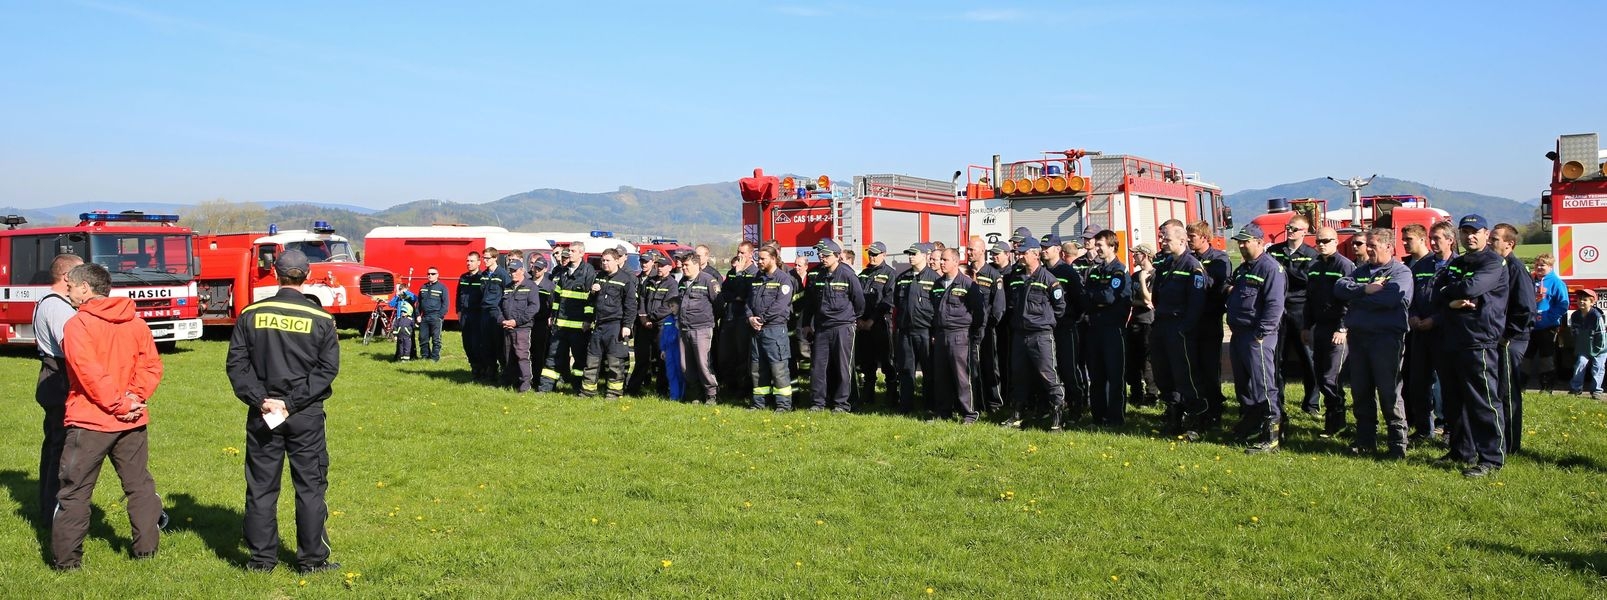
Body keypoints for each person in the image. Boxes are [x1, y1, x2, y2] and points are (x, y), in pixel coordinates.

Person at [226, 250, 340, 574]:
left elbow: (237, 365)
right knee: (310, 487)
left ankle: (261, 560)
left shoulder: (251, 313)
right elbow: (326, 370)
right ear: (307, 275)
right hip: (304, 414)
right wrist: (291, 403)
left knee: (261, 486)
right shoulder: (322, 320)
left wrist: (262, 399)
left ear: (275, 274)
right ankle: (312, 561)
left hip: (264, 412)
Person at [51, 262, 165, 570]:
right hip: (130, 419)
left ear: (85, 288)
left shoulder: (78, 325)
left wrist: (124, 402)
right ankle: (146, 552)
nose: (68, 292)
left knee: (74, 493)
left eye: (71, 287)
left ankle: (66, 564)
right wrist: (133, 398)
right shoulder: (136, 322)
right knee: (139, 485)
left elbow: (88, 373)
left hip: (91, 421)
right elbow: (151, 367)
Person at [1433, 214, 1509, 478]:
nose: (1470, 236)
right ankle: (1460, 451)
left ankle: (1491, 458)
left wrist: (1451, 294)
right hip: (1453, 338)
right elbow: (1436, 289)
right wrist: (1452, 298)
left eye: (1475, 231)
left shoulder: (1493, 262)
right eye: (1465, 232)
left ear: (1486, 234)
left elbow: (1473, 287)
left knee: (1483, 401)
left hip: (1479, 340)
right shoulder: (1458, 263)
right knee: (1455, 401)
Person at [1333, 228, 1413, 458]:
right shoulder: (1362, 271)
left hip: (1386, 340)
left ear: (1389, 247)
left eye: (1373, 245)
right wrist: (1365, 289)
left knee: (1389, 392)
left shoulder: (1400, 273)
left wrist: (1358, 299)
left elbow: (1391, 299)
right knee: (1361, 391)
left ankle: (1397, 444)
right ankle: (1366, 440)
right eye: (1367, 245)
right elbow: (1339, 288)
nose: (1368, 249)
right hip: (1359, 340)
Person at [1227, 224, 1287, 454]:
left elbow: (1274, 305)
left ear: (1259, 242)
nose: (1241, 245)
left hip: (1257, 335)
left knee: (1264, 386)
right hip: (1240, 333)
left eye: (1246, 241)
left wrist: (1262, 333)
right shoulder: (1244, 268)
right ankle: (1250, 424)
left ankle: (1271, 436)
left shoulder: (1271, 269)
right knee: (1244, 385)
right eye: (1239, 242)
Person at [33, 253, 82, 523]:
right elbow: (72, 345)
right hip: (58, 379)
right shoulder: (57, 306)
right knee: (60, 449)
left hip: (55, 377)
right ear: (67, 277)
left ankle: (51, 508)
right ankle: (53, 510)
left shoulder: (53, 303)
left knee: (56, 445)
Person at [1002, 236, 1068, 430]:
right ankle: (1017, 415)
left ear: (1035, 254)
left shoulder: (1048, 279)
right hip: (1020, 335)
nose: (1020, 256)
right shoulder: (1017, 277)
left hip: (1040, 335)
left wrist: (1044, 321)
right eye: (1019, 252)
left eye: (1024, 252)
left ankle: (1058, 416)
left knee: (1049, 376)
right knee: (1019, 376)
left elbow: (1060, 307)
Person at [1151, 224, 1208, 438]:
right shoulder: (1166, 265)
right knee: (1163, 372)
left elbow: (1197, 302)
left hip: (1180, 326)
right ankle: (1173, 416)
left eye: (1167, 240)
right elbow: (1158, 294)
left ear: (1182, 241)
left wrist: (1185, 328)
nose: (1163, 243)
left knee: (1186, 374)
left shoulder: (1193, 267)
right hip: (1163, 324)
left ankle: (1196, 419)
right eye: (1163, 239)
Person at [803, 238, 866, 412]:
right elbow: (811, 302)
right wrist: (807, 323)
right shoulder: (819, 275)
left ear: (837, 256)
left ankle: (841, 404)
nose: (822, 258)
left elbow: (859, 301)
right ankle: (818, 402)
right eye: (820, 254)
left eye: (825, 255)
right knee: (818, 367)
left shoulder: (847, 274)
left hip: (842, 327)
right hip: (822, 328)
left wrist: (851, 318)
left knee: (842, 367)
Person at [1267, 215, 1320, 420]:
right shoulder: (1274, 251)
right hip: (1279, 310)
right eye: (1289, 227)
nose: (1291, 231)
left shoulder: (1311, 254)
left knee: (1308, 358)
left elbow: (1307, 280)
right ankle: (1278, 402)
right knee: (1277, 359)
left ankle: (1312, 403)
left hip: (1301, 310)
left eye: (1296, 229)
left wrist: (1284, 270)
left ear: (1305, 232)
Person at [1305, 227, 1355, 436]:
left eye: (1326, 240)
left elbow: (1351, 299)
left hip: (1338, 328)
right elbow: (1309, 299)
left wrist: (1343, 328)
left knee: (1331, 378)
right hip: (1320, 328)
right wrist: (1306, 326)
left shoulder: (1345, 265)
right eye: (1318, 241)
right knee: (1319, 375)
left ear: (1336, 242)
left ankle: (1339, 422)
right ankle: (1331, 422)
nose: (1322, 244)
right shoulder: (1314, 266)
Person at [1491, 224, 1536, 455]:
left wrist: (1507, 335)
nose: (1491, 242)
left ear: (1510, 243)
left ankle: (1510, 445)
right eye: (1490, 238)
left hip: (1511, 339)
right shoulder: (1499, 266)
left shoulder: (1515, 268)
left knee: (1508, 391)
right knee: (1498, 390)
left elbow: (1526, 307)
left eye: (1496, 239)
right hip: (1500, 337)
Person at [1404, 223, 1451, 442]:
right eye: (1431, 238)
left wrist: (1435, 320)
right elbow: (1411, 296)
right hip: (1420, 332)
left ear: (1450, 240)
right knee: (1418, 383)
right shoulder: (1422, 265)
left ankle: (1449, 428)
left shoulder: (1456, 266)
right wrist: (1412, 315)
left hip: (1444, 333)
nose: (1433, 242)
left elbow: (1453, 301)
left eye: (1438, 238)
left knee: (1447, 384)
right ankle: (1424, 429)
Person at [930, 247, 985, 422]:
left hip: (959, 335)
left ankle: (969, 413)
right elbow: (933, 310)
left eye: (945, 260)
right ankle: (943, 412)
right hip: (941, 334)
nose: (941, 263)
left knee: (962, 376)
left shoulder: (967, 284)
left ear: (956, 261)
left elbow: (979, 312)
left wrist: (971, 332)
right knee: (941, 375)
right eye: (941, 260)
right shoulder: (938, 284)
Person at [1085, 230, 1132, 426]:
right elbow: (1086, 295)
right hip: (1095, 328)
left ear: (1112, 246)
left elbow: (1109, 297)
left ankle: (1115, 418)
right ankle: (1098, 417)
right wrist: (1097, 297)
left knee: (1114, 375)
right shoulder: (1095, 270)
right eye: (1096, 245)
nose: (1096, 249)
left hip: (1113, 330)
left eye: (1100, 245)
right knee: (1096, 375)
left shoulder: (1119, 271)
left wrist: (1096, 297)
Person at [1188, 221, 1232, 428]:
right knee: (1193, 367)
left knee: (1209, 367)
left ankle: (1214, 409)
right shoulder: (1190, 258)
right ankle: (1199, 408)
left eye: (1193, 237)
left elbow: (1215, 285)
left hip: (1209, 319)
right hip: (1192, 320)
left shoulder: (1218, 259)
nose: (1189, 240)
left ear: (1204, 238)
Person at [539, 245, 596, 393]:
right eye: (569, 251)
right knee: (553, 356)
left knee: (580, 359)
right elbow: (557, 297)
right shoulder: (564, 271)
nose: (569, 254)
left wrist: (588, 320)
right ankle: (545, 388)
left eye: (572, 251)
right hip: (561, 325)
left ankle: (578, 388)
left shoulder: (588, 272)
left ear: (581, 253)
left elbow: (590, 300)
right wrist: (553, 316)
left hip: (579, 326)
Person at [890, 242, 939, 414]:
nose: (911, 256)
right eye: (909, 253)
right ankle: (906, 406)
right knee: (905, 370)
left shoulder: (935, 279)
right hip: (906, 332)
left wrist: (935, 332)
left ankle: (930, 406)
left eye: (914, 253)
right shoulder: (902, 277)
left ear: (926, 255)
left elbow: (939, 307)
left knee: (929, 371)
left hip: (925, 331)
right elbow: (897, 303)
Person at [582, 249, 637, 399]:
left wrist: (627, 325)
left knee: (615, 362)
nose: (605, 263)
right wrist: (587, 319)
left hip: (616, 325)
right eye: (603, 261)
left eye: (608, 260)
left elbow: (631, 305)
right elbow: (590, 303)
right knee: (592, 360)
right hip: (598, 325)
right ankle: (587, 392)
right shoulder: (598, 277)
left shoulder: (626, 279)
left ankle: (614, 393)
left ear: (617, 261)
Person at [748, 247, 798, 411]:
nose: (759, 262)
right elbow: (749, 301)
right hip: (756, 331)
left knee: (779, 369)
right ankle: (759, 403)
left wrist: (761, 319)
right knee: (757, 368)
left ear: (773, 258)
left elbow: (780, 305)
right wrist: (750, 317)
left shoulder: (784, 280)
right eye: (759, 259)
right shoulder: (757, 277)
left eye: (763, 259)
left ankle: (783, 405)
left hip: (774, 330)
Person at [1046, 236, 1088, 422]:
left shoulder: (1067, 272)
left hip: (1066, 327)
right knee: (1050, 369)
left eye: (1047, 247)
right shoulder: (1042, 271)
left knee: (1069, 368)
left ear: (1057, 249)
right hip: (1047, 329)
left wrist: (1070, 319)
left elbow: (1080, 300)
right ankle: (1054, 406)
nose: (1043, 250)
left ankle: (1076, 406)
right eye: (1042, 247)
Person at [627, 252, 679, 397]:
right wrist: (643, 317)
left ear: (669, 268)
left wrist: (651, 317)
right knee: (642, 359)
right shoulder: (649, 282)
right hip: (645, 326)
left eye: (663, 266)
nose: (660, 268)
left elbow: (670, 306)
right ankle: (633, 390)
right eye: (658, 265)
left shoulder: (672, 284)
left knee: (663, 361)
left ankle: (662, 391)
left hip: (661, 327)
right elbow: (642, 298)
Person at [856, 241, 898, 406]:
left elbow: (888, 300)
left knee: (887, 361)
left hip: (881, 322)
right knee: (867, 361)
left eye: (875, 254)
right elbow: (857, 297)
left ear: (884, 255)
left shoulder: (890, 274)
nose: (872, 257)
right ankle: (868, 395)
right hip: (863, 323)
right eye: (870, 254)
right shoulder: (864, 273)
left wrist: (872, 320)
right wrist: (860, 319)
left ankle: (892, 396)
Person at [678, 252, 723, 404]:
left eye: (686, 265)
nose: (683, 268)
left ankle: (711, 395)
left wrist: (708, 320)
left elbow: (718, 305)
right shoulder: (682, 282)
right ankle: (695, 394)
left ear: (697, 265)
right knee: (686, 365)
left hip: (702, 328)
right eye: (682, 265)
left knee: (704, 364)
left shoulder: (708, 281)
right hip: (684, 329)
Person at [717, 242, 759, 398]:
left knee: (742, 355)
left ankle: (743, 388)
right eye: (738, 252)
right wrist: (736, 296)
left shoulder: (754, 273)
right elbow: (725, 293)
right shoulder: (732, 272)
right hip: (730, 317)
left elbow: (747, 295)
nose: (739, 255)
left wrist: (740, 275)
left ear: (750, 254)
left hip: (743, 318)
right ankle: (730, 386)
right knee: (726, 354)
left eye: (742, 252)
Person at [1528, 253, 1570, 391]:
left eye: (1543, 265)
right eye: (1537, 264)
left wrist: (1548, 318)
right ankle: (1520, 384)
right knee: (1526, 356)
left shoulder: (1557, 283)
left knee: (1546, 358)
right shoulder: (1531, 279)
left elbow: (1563, 305)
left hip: (1547, 327)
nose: (1539, 267)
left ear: (1550, 267)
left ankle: (1547, 387)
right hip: (1529, 326)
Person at [499, 258, 541, 392]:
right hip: (507, 327)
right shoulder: (507, 287)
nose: (512, 273)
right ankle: (510, 381)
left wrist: (516, 322)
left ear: (522, 270)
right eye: (510, 271)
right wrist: (502, 320)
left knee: (522, 355)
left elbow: (534, 308)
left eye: (515, 271)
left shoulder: (531, 286)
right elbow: (499, 306)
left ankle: (525, 384)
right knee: (508, 355)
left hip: (522, 328)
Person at [1125, 242, 1158, 408]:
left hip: (1148, 323)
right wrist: (1139, 301)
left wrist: (1143, 281)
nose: (1133, 256)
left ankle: (1152, 395)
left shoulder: (1154, 275)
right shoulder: (1133, 276)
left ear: (1144, 255)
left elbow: (1149, 300)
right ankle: (1136, 393)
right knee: (1132, 360)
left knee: (1147, 362)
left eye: (1136, 253)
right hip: (1134, 322)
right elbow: (1130, 299)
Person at [477, 249, 511, 384]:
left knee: (499, 345)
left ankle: (505, 375)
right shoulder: (484, 274)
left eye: (487, 258)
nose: (484, 260)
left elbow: (507, 294)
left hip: (496, 313)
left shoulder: (502, 274)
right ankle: (490, 374)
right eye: (484, 257)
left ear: (495, 258)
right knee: (486, 345)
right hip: (484, 313)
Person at [1568, 289, 1605, 399]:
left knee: (1597, 367)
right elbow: (1574, 332)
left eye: (1585, 300)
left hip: (1600, 347)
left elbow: (1601, 335)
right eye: (1579, 299)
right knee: (1580, 363)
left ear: (1592, 302)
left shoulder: (1596, 316)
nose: (1581, 302)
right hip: (1584, 346)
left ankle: (1596, 391)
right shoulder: (1575, 315)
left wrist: (1597, 350)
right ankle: (1575, 388)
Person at [527, 261, 555, 378]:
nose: (536, 271)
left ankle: (537, 378)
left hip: (541, 323)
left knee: (539, 352)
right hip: (527, 321)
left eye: (539, 269)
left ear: (545, 269)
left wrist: (551, 316)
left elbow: (554, 304)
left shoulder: (550, 286)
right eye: (535, 268)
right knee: (526, 351)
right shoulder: (526, 283)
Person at [458, 252, 485, 374]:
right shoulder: (463, 277)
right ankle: (473, 366)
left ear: (479, 262)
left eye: (472, 261)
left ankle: (481, 368)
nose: (469, 263)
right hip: (465, 315)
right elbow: (458, 296)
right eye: (467, 261)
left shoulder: (482, 278)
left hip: (477, 315)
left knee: (477, 344)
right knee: (467, 343)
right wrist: (458, 311)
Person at [416, 267, 448, 362]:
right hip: (424, 317)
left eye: (433, 274)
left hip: (436, 316)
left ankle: (434, 358)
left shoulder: (442, 288)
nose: (430, 275)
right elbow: (418, 303)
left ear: (437, 275)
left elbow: (445, 304)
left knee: (436, 339)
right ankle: (425, 356)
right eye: (428, 274)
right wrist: (418, 315)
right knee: (423, 338)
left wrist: (440, 316)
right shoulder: (423, 287)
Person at [388, 283, 417, 361]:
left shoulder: (409, 298)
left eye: (403, 290)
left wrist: (406, 292)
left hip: (408, 321)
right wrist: (397, 295)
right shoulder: (399, 299)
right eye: (401, 290)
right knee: (400, 339)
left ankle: (412, 355)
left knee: (410, 338)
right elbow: (391, 304)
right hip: (400, 321)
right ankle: (399, 355)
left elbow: (415, 298)